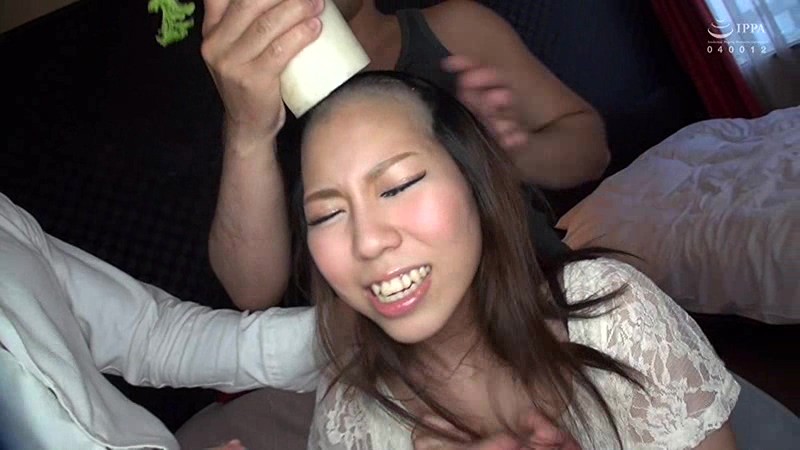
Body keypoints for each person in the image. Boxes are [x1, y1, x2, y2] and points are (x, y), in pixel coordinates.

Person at [291, 71, 740, 449]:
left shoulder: (614, 317)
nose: (367, 242)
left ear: (474, 180)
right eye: (326, 214)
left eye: (398, 186)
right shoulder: (347, 415)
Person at [202, 0, 611, 311]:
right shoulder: (255, 103)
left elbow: (592, 150)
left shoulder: (456, 30)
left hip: (540, 303)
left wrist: (505, 153)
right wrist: (248, 131)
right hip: (398, 360)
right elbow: (252, 292)